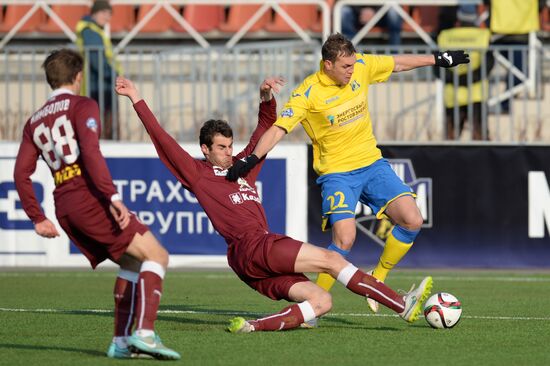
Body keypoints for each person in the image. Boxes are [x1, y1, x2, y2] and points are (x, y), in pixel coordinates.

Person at [115, 75, 434, 333]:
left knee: (321, 301)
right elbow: (162, 139)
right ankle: (402, 305)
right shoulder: (198, 175)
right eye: (221, 147)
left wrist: (266, 97)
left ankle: (252, 327)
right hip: (253, 246)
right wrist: (136, 99)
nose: (228, 152)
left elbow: (263, 132)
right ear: (205, 150)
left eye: (230, 146)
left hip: (246, 265)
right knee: (331, 260)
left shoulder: (241, 168)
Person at [226, 33, 468, 317]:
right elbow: (279, 128)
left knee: (412, 219)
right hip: (337, 173)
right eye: (346, 67)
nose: (352, 71)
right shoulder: (308, 93)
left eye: (353, 65)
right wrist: (253, 157)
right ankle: (315, 304)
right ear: (327, 64)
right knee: (345, 239)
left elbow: (397, 63)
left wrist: (438, 59)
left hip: (372, 164)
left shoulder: (361, 65)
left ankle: (378, 276)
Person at [13, 49, 179, 360]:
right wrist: (112, 196)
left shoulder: (34, 120)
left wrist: (37, 217)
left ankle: (120, 342)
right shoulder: (83, 104)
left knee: (133, 262)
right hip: (90, 199)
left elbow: (20, 173)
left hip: (64, 206)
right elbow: (91, 153)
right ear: (78, 77)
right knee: (158, 255)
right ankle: (144, 333)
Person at [436, 7, 494, 140]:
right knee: (481, 137)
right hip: (476, 93)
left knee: (450, 141)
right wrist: (469, 79)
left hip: (453, 94)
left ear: (458, 20)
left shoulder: (445, 36)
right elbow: (489, 63)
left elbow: (436, 66)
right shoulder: (483, 35)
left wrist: (456, 79)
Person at [75, 0, 121, 139]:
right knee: (103, 127)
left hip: (101, 84)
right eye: (104, 13)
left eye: (109, 14)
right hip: (98, 86)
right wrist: (114, 76)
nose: (107, 17)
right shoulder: (91, 32)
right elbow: (97, 62)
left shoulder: (94, 31)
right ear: (95, 13)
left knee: (102, 126)